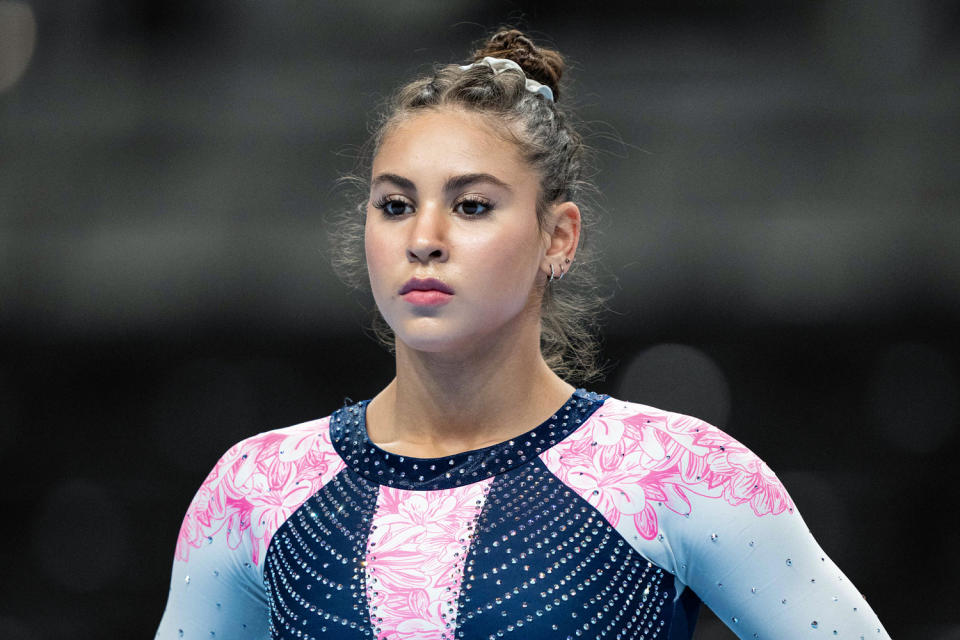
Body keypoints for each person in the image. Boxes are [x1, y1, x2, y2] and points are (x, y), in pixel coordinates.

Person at [156, 29, 889, 640]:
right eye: (395, 205)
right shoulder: (256, 491)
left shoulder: (675, 475)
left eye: (472, 206)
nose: (424, 238)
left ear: (558, 237)